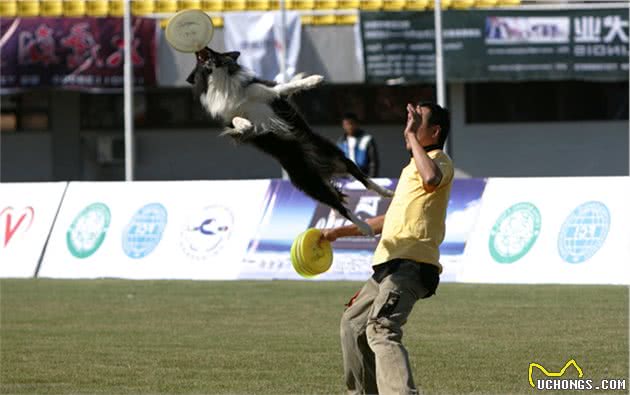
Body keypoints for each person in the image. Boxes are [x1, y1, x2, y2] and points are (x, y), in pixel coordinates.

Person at [322, 102, 454, 395]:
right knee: (353, 325)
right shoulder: (411, 168)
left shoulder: (440, 160)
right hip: (387, 266)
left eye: (417, 120)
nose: (409, 124)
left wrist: (410, 138)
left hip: (411, 265)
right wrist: (339, 231)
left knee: (381, 329)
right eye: (410, 118)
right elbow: (388, 219)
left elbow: (432, 178)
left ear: (434, 131)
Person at [337, 113, 379, 177]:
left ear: (357, 124)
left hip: (364, 176)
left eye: (351, 124)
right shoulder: (341, 142)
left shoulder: (367, 139)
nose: (349, 127)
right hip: (346, 179)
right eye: (346, 124)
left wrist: (371, 178)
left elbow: (373, 163)